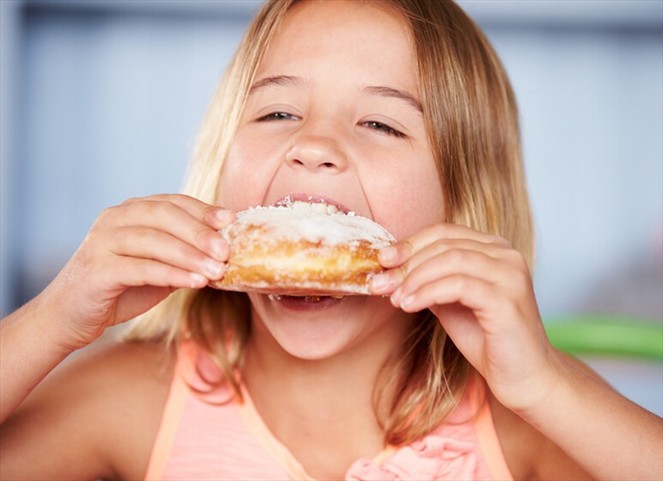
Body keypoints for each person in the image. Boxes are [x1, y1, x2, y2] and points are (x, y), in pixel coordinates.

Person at [1, 0, 661, 479]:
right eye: (277, 112)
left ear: (461, 202)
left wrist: (544, 386)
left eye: (379, 122)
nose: (313, 145)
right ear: (217, 165)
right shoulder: (136, 399)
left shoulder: (523, 419)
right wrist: (52, 320)